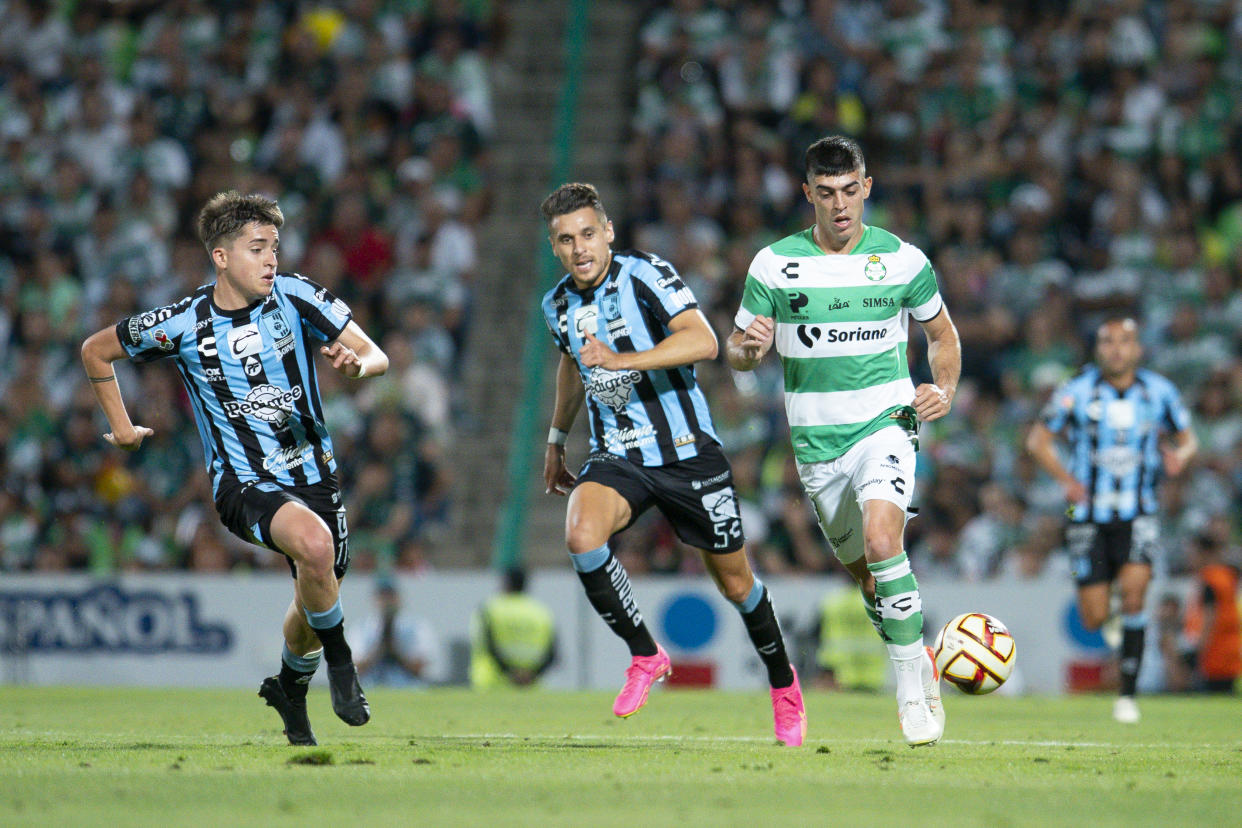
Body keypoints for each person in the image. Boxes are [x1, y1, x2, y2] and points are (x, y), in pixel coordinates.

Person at [80, 191, 388, 745]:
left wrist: (358, 367)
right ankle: (344, 670)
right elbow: (96, 350)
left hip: (316, 477)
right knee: (316, 553)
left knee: (316, 594)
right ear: (221, 257)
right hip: (242, 483)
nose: (271, 259)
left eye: (274, 246)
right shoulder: (183, 321)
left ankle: (291, 687)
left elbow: (375, 353)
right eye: (256, 248)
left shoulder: (296, 295)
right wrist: (122, 426)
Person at [539, 182, 807, 746]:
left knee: (737, 585)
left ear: (608, 231)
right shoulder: (557, 303)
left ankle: (784, 686)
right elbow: (571, 363)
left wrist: (622, 358)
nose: (579, 248)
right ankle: (646, 654)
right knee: (582, 536)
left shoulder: (645, 274)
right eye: (566, 239)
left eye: (588, 233)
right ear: (554, 246)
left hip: (688, 453)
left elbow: (703, 340)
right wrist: (557, 438)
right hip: (618, 453)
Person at [725, 136, 960, 747]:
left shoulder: (904, 261)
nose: (839, 205)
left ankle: (911, 687)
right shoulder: (774, 265)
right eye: (826, 193)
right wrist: (748, 348)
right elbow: (739, 355)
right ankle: (919, 657)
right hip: (816, 449)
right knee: (869, 578)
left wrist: (944, 388)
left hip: (885, 422)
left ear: (867, 188)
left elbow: (943, 336)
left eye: (850, 191)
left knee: (886, 537)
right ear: (808, 194)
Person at [1027, 316, 1197, 722]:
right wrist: (1066, 480)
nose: (1116, 349)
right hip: (1086, 514)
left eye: (1125, 341)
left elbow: (1189, 439)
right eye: (1107, 341)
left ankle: (1127, 695)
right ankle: (1115, 605)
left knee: (1137, 593)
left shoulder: (1159, 391)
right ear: (1097, 348)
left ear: (1138, 348)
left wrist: (1180, 457)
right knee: (1095, 617)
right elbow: (1038, 441)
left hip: (1140, 510)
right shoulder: (1076, 391)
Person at [469, 568, 557, 689]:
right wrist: (532, 675)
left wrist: (511, 673)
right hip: (531, 687)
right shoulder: (541, 612)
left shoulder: (490, 609)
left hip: (493, 685)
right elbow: (552, 653)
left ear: (506, 583)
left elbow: (486, 645)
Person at [352, 575, 445, 687]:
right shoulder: (362, 628)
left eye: (391, 596)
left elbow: (421, 668)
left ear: (399, 598)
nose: (387, 601)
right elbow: (355, 667)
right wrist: (379, 648)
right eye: (382, 596)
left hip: (409, 687)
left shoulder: (416, 627)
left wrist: (395, 650)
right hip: (371, 687)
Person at [1182, 532, 1240, 693]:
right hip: (1230, 650)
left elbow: (1209, 619)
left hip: (1215, 655)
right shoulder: (1227, 575)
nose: (1190, 558)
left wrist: (1198, 652)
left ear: (1204, 553)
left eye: (1193, 553)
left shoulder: (1210, 580)